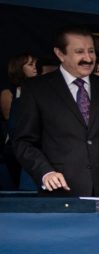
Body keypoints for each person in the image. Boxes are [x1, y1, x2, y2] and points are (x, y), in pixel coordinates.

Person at [12, 26, 99, 198]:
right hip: (59, 194)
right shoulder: (36, 89)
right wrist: (45, 172)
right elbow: (24, 142)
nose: (88, 58)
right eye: (79, 52)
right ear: (60, 54)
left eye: (91, 51)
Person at [2, 53, 38, 188]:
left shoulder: (40, 88)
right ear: (19, 68)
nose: (35, 68)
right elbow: (10, 120)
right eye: (30, 64)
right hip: (13, 146)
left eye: (35, 64)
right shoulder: (9, 92)